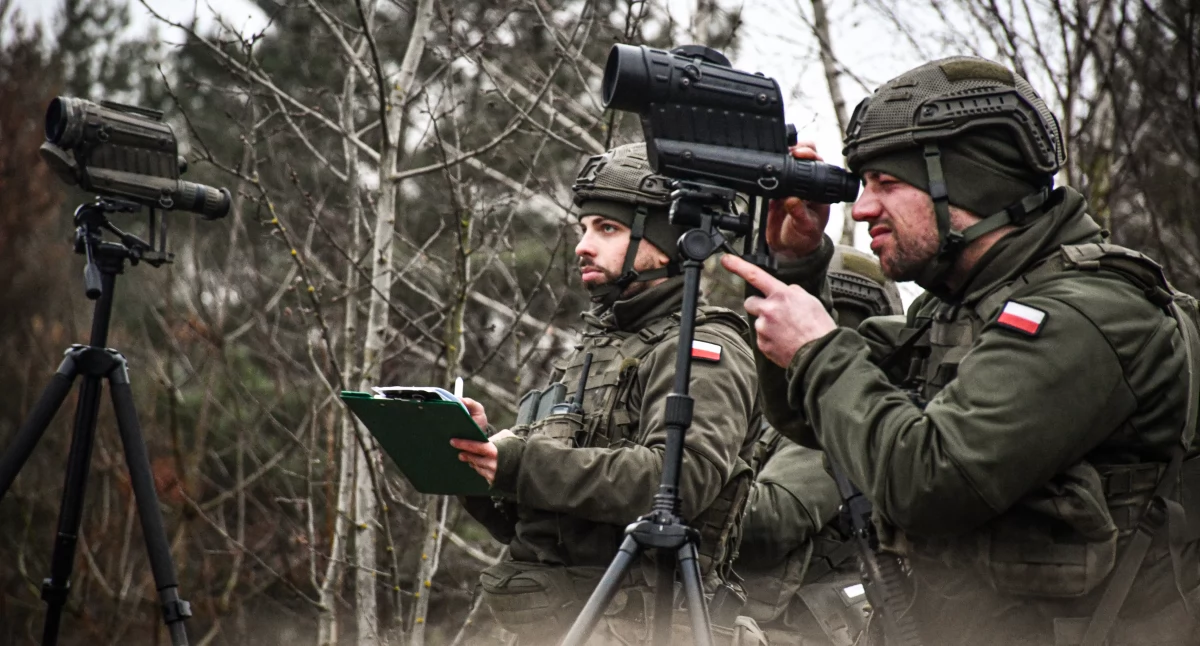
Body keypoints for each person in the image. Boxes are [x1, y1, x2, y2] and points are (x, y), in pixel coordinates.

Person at [721, 56, 1200, 645]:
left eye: (888, 184)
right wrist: (796, 266)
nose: (863, 208)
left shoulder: (1088, 312)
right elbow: (807, 414)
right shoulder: (961, 308)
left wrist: (820, 348)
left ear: (970, 183)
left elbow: (929, 481)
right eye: (863, 184)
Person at [452, 142, 763, 645]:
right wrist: (477, 456)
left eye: (607, 229)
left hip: (649, 628)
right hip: (559, 625)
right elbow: (531, 529)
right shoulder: (590, 352)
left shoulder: (700, 347)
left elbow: (682, 482)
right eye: (584, 229)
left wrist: (520, 465)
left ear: (668, 242)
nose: (582, 245)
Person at [735, 247, 903, 646]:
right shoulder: (779, 408)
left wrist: (659, 482)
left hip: (798, 628)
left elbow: (770, 524)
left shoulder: (842, 415)